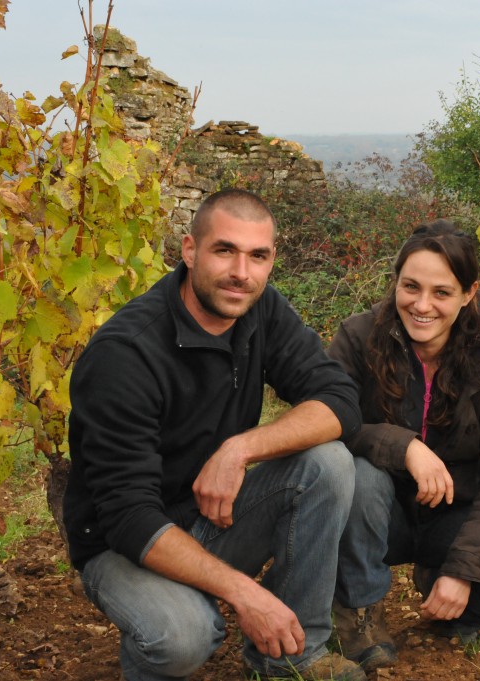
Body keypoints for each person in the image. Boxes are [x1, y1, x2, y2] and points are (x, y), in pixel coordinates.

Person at [63, 189, 366, 681]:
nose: (241, 273)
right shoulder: (126, 355)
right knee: (181, 637)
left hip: (213, 515)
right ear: (189, 251)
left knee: (328, 463)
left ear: (271, 262)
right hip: (126, 545)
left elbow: (340, 401)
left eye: (258, 256)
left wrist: (240, 448)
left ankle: (292, 659)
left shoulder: (259, 308)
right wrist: (247, 594)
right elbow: (129, 518)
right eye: (224, 250)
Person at [328, 220, 480, 672]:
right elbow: (329, 422)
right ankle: (360, 615)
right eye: (410, 287)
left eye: (441, 293)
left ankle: (444, 592)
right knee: (363, 475)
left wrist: (463, 569)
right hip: (375, 514)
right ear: (395, 283)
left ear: (469, 294)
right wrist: (404, 446)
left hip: (453, 515)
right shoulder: (358, 337)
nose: (422, 305)